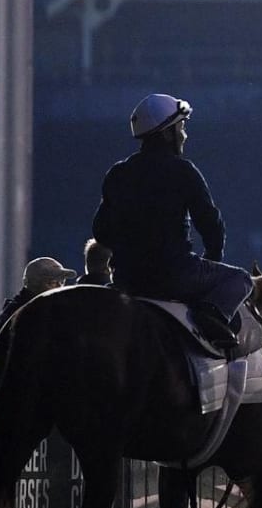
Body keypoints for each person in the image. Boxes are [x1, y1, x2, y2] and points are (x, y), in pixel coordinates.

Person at [92, 94, 253, 353]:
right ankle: (210, 318)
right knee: (242, 279)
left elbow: (100, 230)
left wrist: (129, 249)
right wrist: (211, 258)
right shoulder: (184, 171)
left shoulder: (118, 173)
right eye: (181, 127)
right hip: (175, 275)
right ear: (167, 133)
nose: (185, 135)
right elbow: (212, 226)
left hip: (126, 279)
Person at [0, 256, 76, 348]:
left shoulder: (52, 312)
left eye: (62, 282)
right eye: (52, 282)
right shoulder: (14, 316)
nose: (60, 287)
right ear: (33, 285)